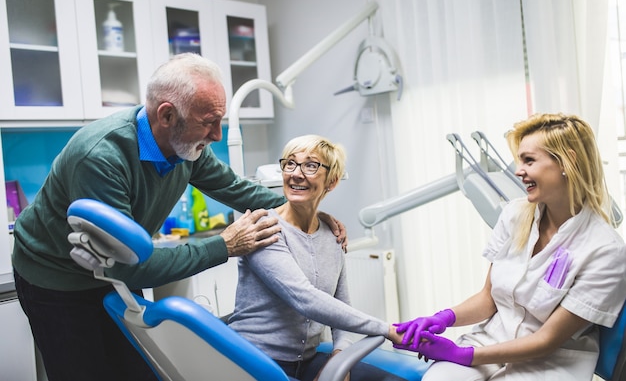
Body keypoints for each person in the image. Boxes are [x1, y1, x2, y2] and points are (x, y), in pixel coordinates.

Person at [11, 53, 346, 381]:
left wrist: (308, 213)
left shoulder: (188, 145)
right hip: (56, 276)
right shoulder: (101, 157)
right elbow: (129, 266)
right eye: (208, 122)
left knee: (139, 370)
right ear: (167, 115)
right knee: (83, 373)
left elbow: (233, 187)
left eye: (220, 120)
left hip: (115, 268)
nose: (216, 134)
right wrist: (224, 245)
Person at [394, 113, 626, 380]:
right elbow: (488, 298)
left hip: (550, 362)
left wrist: (463, 355)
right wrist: (442, 318)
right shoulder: (515, 215)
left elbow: (547, 339)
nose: (518, 170)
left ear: (568, 162)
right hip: (490, 341)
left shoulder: (605, 250)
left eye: (529, 160)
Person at [228, 134, 406, 381]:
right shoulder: (264, 228)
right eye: (290, 163)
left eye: (310, 165)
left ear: (331, 181)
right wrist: (386, 329)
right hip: (254, 361)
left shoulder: (331, 235)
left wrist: (339, 355)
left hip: (306, 361)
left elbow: (341, 307)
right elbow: (306, 299)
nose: (296, 173)